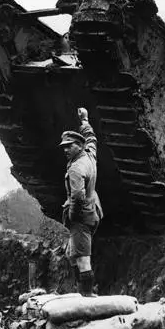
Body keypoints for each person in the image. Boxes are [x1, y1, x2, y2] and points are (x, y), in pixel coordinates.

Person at [59, 107, 103, 297]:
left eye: (69, 146)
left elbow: (77, 196)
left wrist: (71, 217)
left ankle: (86, 296)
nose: (66, 149)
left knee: (82, 259)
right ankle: (83, 291)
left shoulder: (77, 168)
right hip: (92, 211)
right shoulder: (89, 155)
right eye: (64, 147)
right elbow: (91, 138)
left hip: (81, 217)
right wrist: (85, 120)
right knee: (72, 254)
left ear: (78, 145)